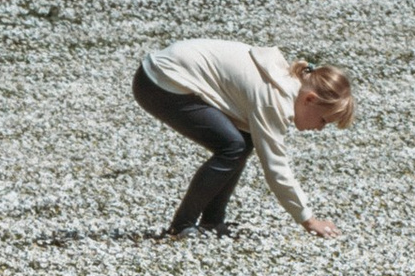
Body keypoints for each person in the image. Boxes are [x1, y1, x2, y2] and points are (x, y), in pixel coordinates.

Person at [130, 37, 352, 237]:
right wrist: (309, 220)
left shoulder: (284, 81)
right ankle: (182, 226)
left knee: (241, 144)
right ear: (310, 100)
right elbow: (276, 167)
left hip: (161, 74)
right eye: (323, 120)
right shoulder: (274, 100)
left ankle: (212, 222)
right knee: (232, 147)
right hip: (160, 81)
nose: (320, 129)